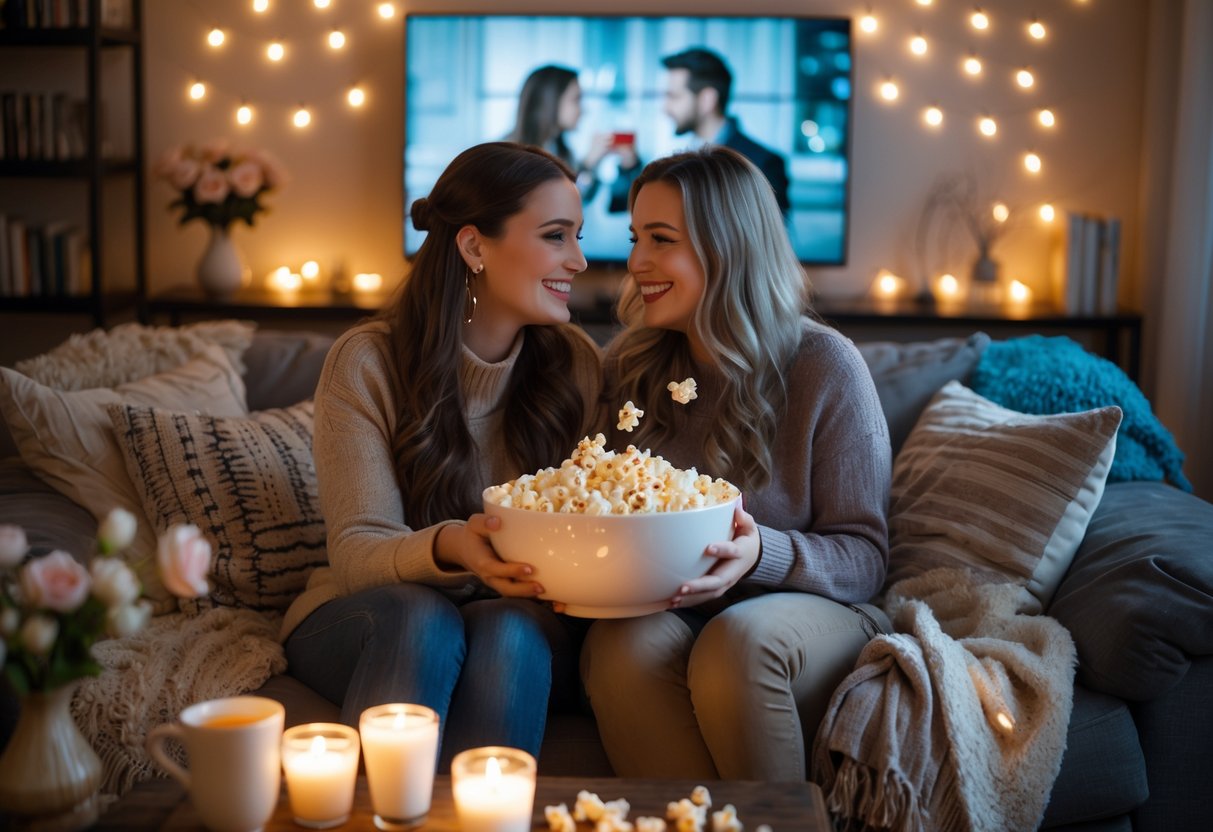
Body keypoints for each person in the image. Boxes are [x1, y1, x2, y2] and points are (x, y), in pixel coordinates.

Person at [281, 142, 601, 769]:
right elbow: (355, 551)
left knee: (508, 626)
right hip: (374, 616)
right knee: (422, 619)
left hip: (520, 625)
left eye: (577, 236)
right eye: (556, 236)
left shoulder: (576, 366)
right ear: (474, 246)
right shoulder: (368, 362)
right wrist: (454, 544)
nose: (580, 260)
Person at [580, 146, 890, 781]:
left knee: (736, 645)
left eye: (661, 240)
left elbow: (866, 556)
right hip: (675, 608)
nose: (636, 263)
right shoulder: (629, 369)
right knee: (618, 646)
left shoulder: (823, 367)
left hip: (808, 610)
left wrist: (762, 553)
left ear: (728, 247)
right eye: (637, 237)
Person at [611, 48, 792, 216]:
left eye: (673, 96)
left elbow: (767, 242)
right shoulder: (680, 159)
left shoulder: (762, 164)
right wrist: (630, 166)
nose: (665, 108)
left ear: (707, 100)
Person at [506, 65, 616, 202]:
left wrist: (590, 164)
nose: (583, 109)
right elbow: (555, 203)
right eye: (576, 99)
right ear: (551, 101)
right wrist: (587, 164)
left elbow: (579, 197)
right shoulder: (508, 157)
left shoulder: (560, 151)